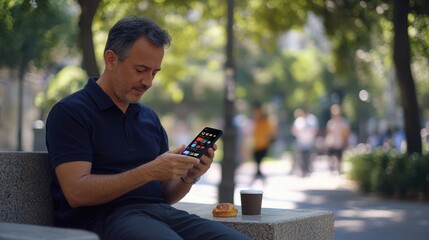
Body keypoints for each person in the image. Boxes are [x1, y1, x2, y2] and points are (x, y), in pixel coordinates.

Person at [46, 16, 249, 240]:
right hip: (104, 219)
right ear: (111, 60)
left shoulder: (148, 118)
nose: (148, 81)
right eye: (141, 69)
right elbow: (77, 192)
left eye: (154, 72)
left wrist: (188, 176)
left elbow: (164, 195)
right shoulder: (71, 112)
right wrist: (150, 170)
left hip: (159, 214)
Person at [251, 102, 276, 181]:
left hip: (263, 143)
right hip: (257, 143)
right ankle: (258, 173)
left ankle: (258, 173)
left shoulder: (265, 120)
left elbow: (271, 129)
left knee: (259, 159)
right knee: (257, 159)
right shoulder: (256, 119)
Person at [291, 108, 319, 177]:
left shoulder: (312, 119)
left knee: (309, 157)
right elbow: (294, 130)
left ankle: (308, 169)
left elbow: (315, 130)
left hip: (310, 142)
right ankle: (303, 170)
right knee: (302, 157)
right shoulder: (298, 121)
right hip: (301, 143)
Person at [325, 104, 350, 174]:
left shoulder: (343, 122)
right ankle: (332, 168)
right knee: (332, 157)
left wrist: (345, 142)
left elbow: (346, 134)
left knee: (340, 158)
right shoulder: (330, 123)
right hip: (332, 143)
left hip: (340, 143)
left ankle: (339, 169)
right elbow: (328, 133)